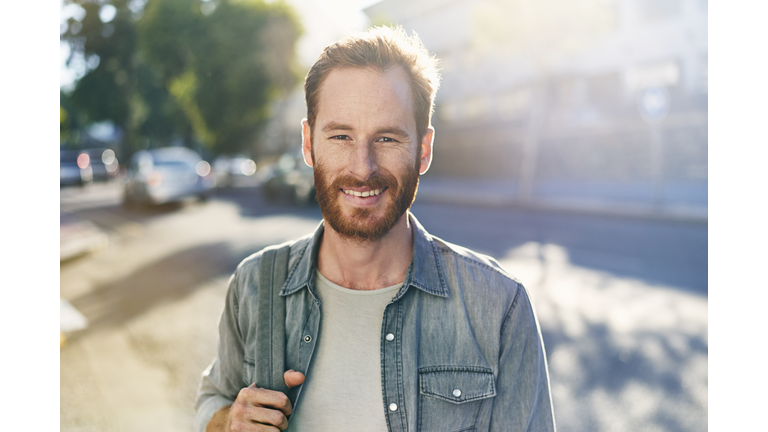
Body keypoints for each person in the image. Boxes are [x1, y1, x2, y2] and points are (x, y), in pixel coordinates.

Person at [195, 26, 555, 432]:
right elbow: (212, 398)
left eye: (386, 138)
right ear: (309, 144)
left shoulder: (499, 307)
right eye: (341, 135)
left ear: (423, 150)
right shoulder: (254, 284)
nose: (362, 167)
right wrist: (228, 422)